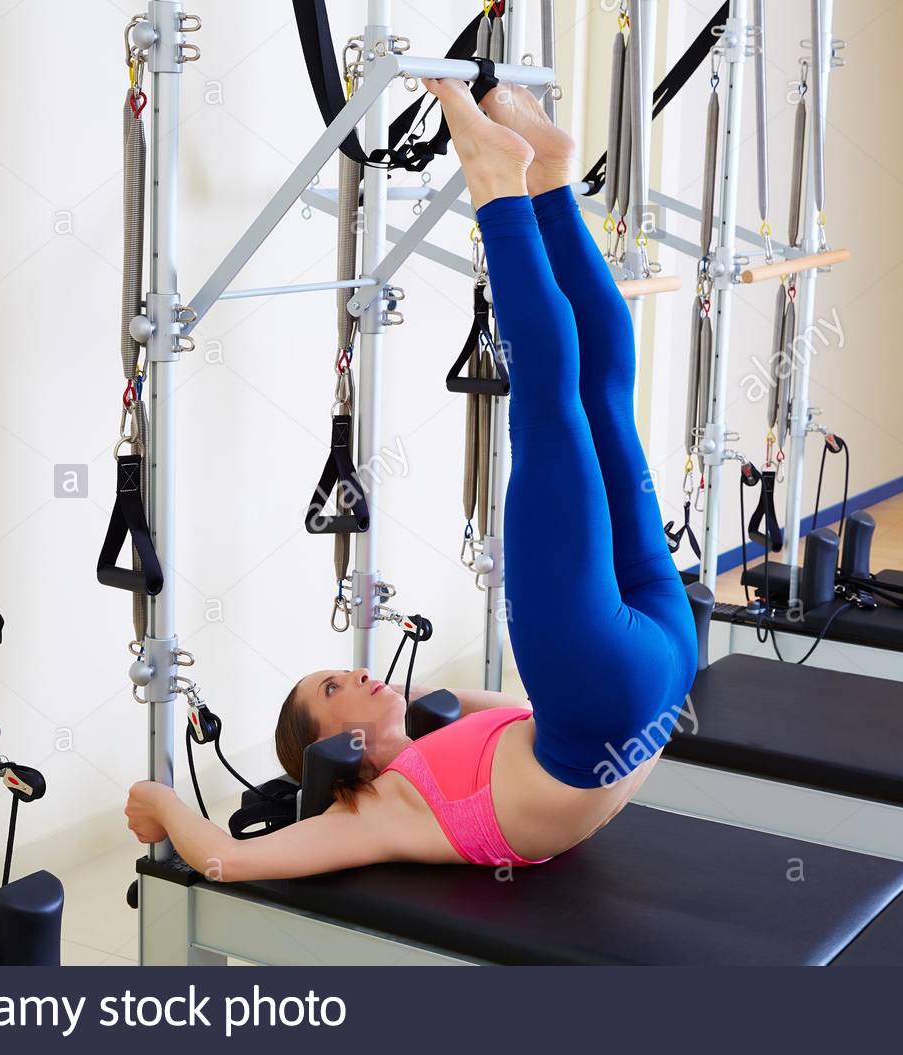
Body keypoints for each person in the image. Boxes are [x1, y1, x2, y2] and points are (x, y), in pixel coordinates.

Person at [125, 77, 697, 881]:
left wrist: (420, 699)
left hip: (654, 668)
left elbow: (489, 709)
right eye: (334, 685)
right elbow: (225, 856)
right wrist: (159, 798)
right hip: (612, 693)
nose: (356, 668)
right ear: (332, 746)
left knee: (599, 393)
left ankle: (549, 183)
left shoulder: (440, 723)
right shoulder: (379, 807)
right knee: (549, 400)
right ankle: (497, 182)